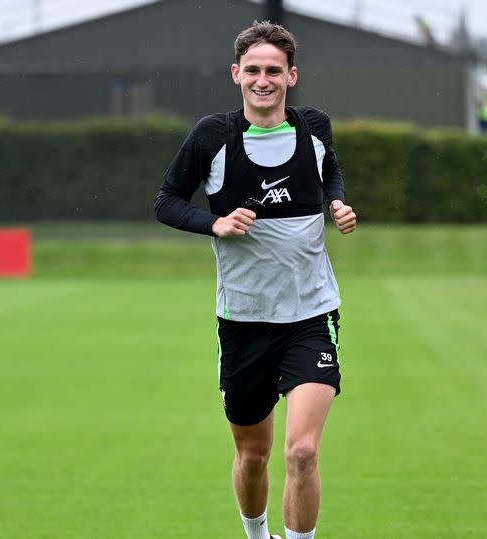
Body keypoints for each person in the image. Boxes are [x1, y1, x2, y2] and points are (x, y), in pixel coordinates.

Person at [154, 21, 356, 539]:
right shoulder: (212, 136)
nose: (263, 80)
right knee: (252, 457)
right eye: (253, 70)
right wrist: (214, 223)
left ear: (291, 75)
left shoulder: (313, 126)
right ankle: (256, 532)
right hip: (244, 320)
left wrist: (336, 203)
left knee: (303, 452)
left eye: (274, 70)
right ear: (236, 74)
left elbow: (328, 167)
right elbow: (167, 201)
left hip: (312, 314)